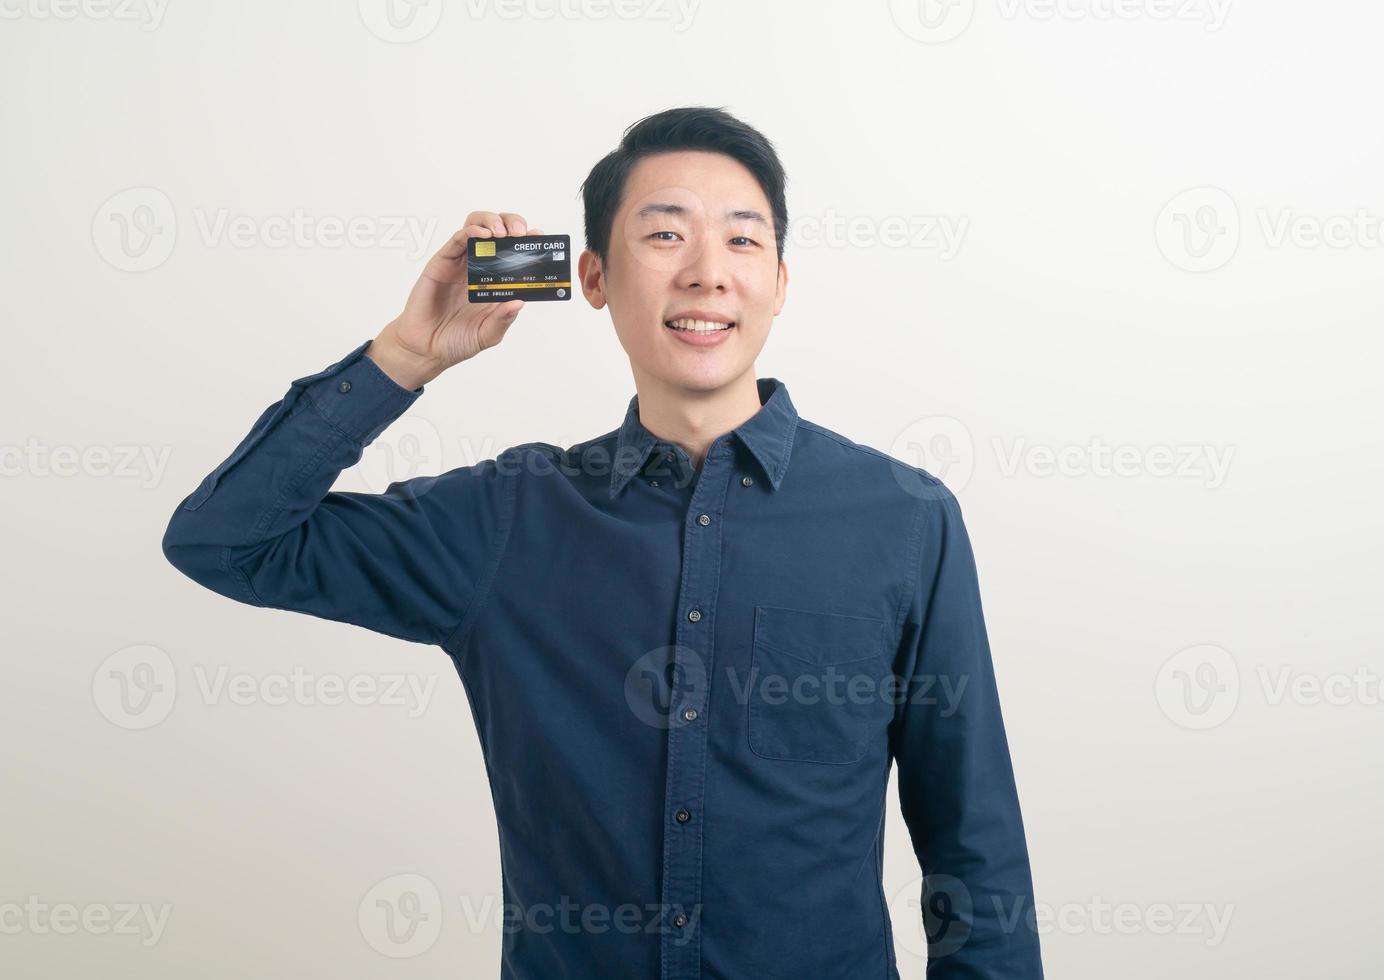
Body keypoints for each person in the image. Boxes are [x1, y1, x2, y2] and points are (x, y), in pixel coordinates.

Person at [162, 105, 1044, 979]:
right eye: (665, 236)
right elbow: (225, 542)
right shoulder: (507, 517)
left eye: (743, 241)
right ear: (593, 277)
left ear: (779, 282)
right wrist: (405, 355)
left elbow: (974, 845)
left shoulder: (902, 517)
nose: (706, 274)